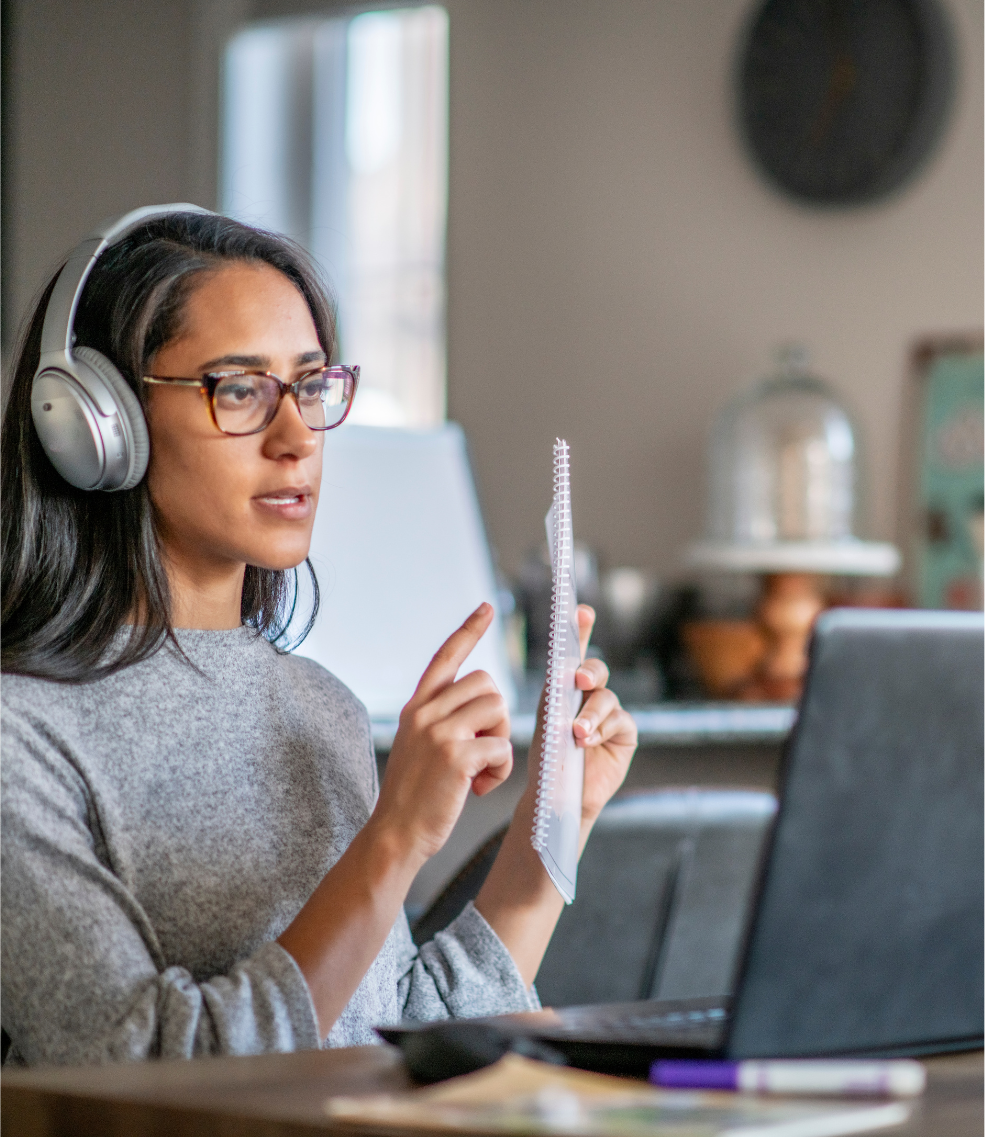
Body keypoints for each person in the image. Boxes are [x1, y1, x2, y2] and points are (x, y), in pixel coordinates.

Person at [0, 209, 638, 1067]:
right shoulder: (20, 736)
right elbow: (144, 1069)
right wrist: (393, 841)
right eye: (239, 389)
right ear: (95, 424)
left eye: (309, 385)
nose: (297, 437)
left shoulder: (319, 710)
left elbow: (393, 1036)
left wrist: (552, 824)